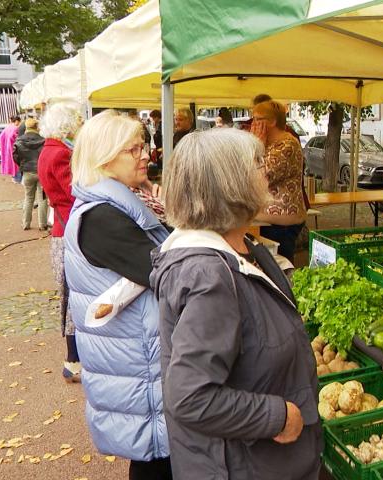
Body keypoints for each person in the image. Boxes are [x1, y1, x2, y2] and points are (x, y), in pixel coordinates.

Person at [150, 128, 321, 479]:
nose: (267, 172)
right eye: (258, 164)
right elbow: (189, 396)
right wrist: (277, 416)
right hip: (239, 466)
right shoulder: (209, 276)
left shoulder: (246, 247)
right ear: (231, 184)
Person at [64, 110, 171, 479]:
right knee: (156, 464)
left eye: (144, 146)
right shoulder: (103, 219)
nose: (146, 155)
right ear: (105, 156)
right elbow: (167, 271)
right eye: (135, 149)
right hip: (139, 375)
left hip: (137, 368)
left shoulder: (117, 205)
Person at [37, 102, 84, 383]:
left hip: (62, 229)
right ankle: (73, 360)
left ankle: (73, 359)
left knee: (70, 297)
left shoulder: (50, 150)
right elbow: (73, 194)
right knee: (73, 298)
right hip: (68, 231)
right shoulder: (60, 153)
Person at [250, 100, 306, 262]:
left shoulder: (286, 146)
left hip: (282, 223)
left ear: (273, 121)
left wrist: (257, 145)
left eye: (258, 119)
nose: (253, 124)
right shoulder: (271, 143)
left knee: (280, 269)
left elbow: (258, 177)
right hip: (268, 220)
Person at [13, 118, 48, 231]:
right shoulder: (44, 140)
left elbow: (15, 157)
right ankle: (42, 224)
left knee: (28, 198)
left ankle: (26, 223)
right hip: (41, 173)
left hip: (27, 172)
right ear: (37, 127)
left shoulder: (19, 141)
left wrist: (22, 165)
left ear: (26, 127)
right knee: (42, 198)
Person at [0, 115, 21, 182]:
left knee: (11, 163)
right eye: (19, 122)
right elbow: (13, 136)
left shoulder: (7, 128)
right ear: (17, 121)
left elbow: (1, 136)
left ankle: (14, 177)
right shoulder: (15, 128)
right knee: (16, 163)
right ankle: (18, 179)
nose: (19, 124)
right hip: (13, 148)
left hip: (7, 148)